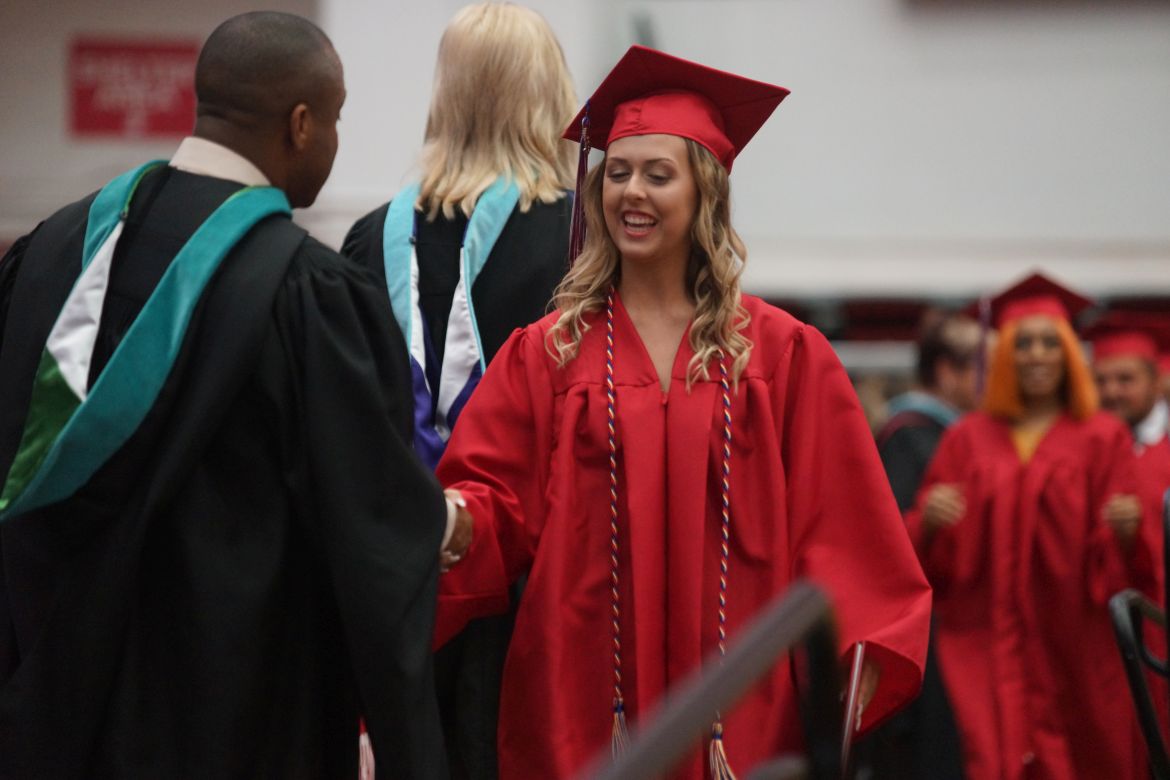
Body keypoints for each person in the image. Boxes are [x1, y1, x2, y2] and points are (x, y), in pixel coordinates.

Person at [436, 45, 932, 779]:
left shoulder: (782, 356)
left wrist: (851, 666)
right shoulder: (547, 355)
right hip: (580, 703)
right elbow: (493, 499)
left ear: (706, 193)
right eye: (619, 173)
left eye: (658, 175)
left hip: (744, 710)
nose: (632, 192)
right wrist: (448, 519)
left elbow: (845, 529)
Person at [0, 13, 446, 779]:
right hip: (240, 731)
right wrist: (414, 755)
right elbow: (375, 560)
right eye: (335, 120)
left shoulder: (53, 254)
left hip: (52, 725)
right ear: (300, 125)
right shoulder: (308, 295)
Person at [340, 4, 575, 777]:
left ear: (446, 93)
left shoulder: (365, 239)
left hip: (399, 566)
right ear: (550, 94)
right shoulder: (584, 240)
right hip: (535, 574)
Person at [907, 272, 1154, 780]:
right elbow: (930, 563)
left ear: (1069, 353)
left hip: (1076, 647)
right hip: (986, 643)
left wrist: (1128, 532)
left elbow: (1127, 569)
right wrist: (929, 522)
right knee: (991, 755)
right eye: (1023, 344)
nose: (1036, 355)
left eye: (1049, 342)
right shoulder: (967, 439)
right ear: (1003, 356)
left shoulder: (1102, 437)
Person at [860, 309, 980, 779]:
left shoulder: (951, 434)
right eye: (981, 366)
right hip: (926, 632)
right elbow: (887, 543)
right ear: (947, 371)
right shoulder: (910, 436)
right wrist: (926, 522)